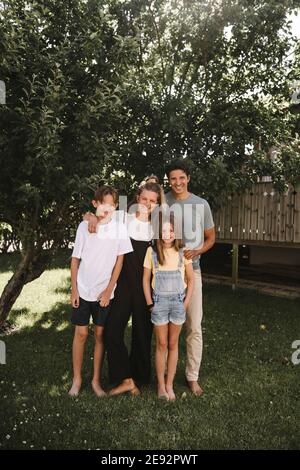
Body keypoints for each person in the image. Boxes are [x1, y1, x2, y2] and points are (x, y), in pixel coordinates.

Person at [84, 182, 162, 395]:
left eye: (153, 201)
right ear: (138, 197)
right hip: (122, 286)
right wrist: (90, 217)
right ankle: (124, 377)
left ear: (158, 204)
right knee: (111, 331)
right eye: (144, 198)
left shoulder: (157, 228)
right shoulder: (122, 219)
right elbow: (95, 215)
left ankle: (140, 378)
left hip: (146, 287)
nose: (147, 204)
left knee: (142, 334)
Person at [69, 185, 133, 397]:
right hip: (84, 288)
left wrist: (108, 291)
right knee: (81, 333)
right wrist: (74, 290)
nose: (107, 209)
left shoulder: (119, 229)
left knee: (99, 334)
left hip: (104, 293)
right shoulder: (84, 227)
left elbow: (119, 262)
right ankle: (77, 379)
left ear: (116, 207)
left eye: (112, 205)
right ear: (95, 204)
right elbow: (75, 260)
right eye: (103, 204)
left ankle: (96, 380)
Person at [165, 160, 215, 396]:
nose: (177, 183)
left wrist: (199, 250)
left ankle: (192, 377)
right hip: (166, 273)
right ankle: (165, 378)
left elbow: (211, 238)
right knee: (164, 329)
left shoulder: (201, 204)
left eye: (181, 177)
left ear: (188, 178)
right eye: (173, 178)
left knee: (194, 325)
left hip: (192, 271)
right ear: (169, 180)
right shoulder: (162, 202)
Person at [143, 215, 194, 400]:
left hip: (178, 303)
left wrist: (186, 303)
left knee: (173, 344)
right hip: (159, 304)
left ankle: (169, 384)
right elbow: (145, 280)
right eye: (163, 231)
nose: (167, 235)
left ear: (176, 232)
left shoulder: (183, 251)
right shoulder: (152, 252)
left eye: (171, 231)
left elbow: (191, 279)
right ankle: (160, 385)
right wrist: (150, 303)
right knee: (161, 344)